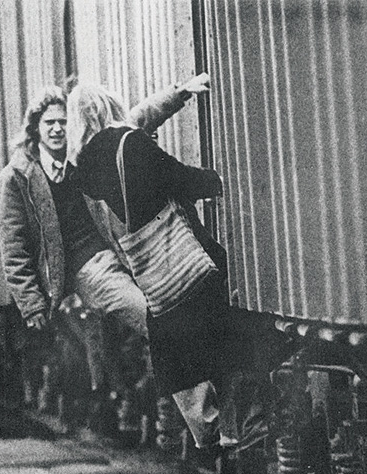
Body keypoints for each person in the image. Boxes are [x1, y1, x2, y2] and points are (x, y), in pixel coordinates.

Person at [0, 77, 209, 428]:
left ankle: (196, 420)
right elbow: (13, 250)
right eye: (49, 123)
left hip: (122, 253)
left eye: (64, 122)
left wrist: (179, 94)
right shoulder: (16, 178)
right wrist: (32, 305)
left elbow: (133, 121)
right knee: (158, 323)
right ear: (35, 129)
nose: (58, 129)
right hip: (87, 271)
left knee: (185, 314)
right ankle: (207, 424)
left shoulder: (83, 155)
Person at [66, 82, 270, 450]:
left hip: (153, 271)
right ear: (110, 106)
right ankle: (242, 424)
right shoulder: (131, 143)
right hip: (184, 257)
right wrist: (226, 182)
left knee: (180, 343)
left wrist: (177, 94)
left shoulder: (88, 167)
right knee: (231, 328)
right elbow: (178, 178)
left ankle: (212, 428)